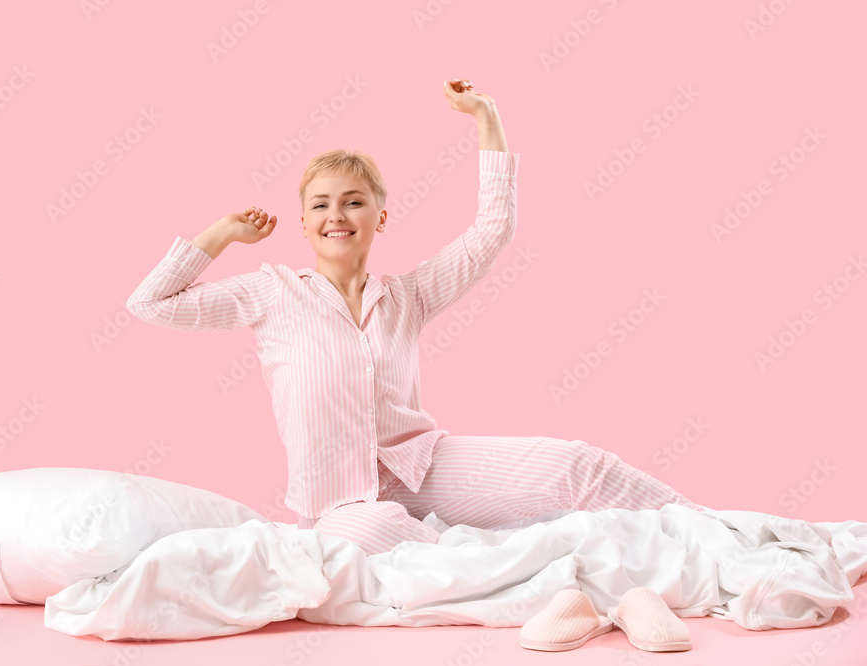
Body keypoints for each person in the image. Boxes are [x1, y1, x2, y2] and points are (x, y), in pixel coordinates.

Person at [126, 78, 705, 557]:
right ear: (303, 222)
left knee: (576, 463)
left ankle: (714, 530)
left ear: (380, 217)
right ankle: (545, 581)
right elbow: (150, 304)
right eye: (321, 204)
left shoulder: (407, 295)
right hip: (339, 504)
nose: (337, 214)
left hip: (421, 467)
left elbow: (491, 232)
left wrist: (486, 118)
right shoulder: (272, 293)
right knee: (394, 540)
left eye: (354, 200)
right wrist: (223, 234)